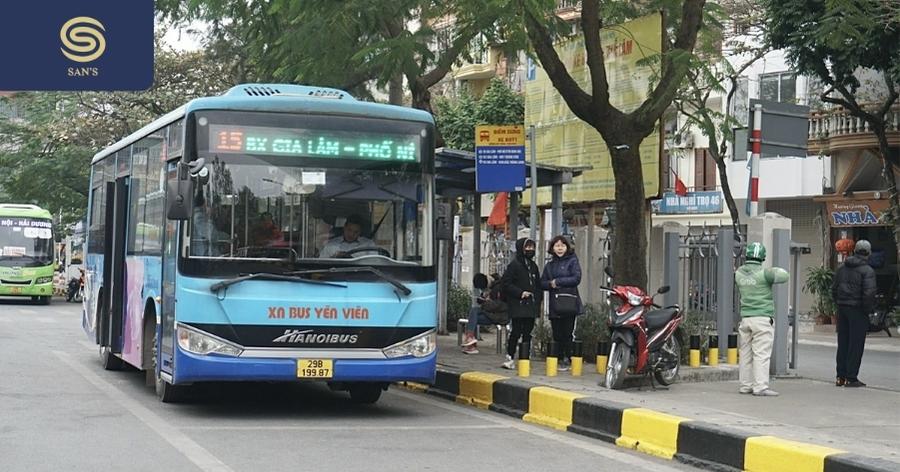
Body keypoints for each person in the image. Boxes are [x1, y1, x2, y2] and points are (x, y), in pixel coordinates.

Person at [735, 242, 789, 396]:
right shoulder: (765, 274)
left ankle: (745, 385)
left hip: (746, 319)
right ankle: (760, 387)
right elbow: (784, 275)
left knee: (745, 354)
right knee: (761, 354)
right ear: (762, 257)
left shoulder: (739, 274)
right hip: (762, 319)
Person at [831, 239, 876, 388]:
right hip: (858, 310)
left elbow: (834, 289)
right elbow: (869, 294)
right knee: (855, 345)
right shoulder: (868, 270)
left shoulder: (842, 268)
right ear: (868, 253)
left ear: (855, 251)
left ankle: (840, 377)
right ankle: (851, 377)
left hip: (842, 309)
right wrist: (866, 311)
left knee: (843, 343)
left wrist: (840, 302)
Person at [540, 235, 583, 371]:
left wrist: (558, 282)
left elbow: (576, 278)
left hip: (569, 302)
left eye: (562, 245)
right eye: (557, 246)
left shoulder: (573, 261)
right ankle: (557, 358)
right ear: (552, 248)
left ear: (567, 247)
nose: (560, 248)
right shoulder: (550, 265)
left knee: (568, 332)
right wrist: (550, 284)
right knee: (556, 333)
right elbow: (542, 283)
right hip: (555, 304)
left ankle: (567, 358)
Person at [500, 237, 543, 369]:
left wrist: (537, 302)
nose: (530, 250)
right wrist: (520, 293)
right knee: (516, 331)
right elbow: (505, 284)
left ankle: (524, 359)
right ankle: (510, 356)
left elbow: (537, 286)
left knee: (528, 333)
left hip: (531, 306)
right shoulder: (514, 265)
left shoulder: (533, 266)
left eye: (532, 247)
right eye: (527, 247)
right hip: (518, 305)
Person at [461, 273, 508, 354]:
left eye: (482, 288)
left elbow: (500, 306)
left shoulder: (499, 288)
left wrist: (484, 302)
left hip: (499, 316)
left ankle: (470, 341)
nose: (482, 290)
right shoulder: (490, 287)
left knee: (474, 313)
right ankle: (470, 340)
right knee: (473, 316)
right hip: (490, 314)